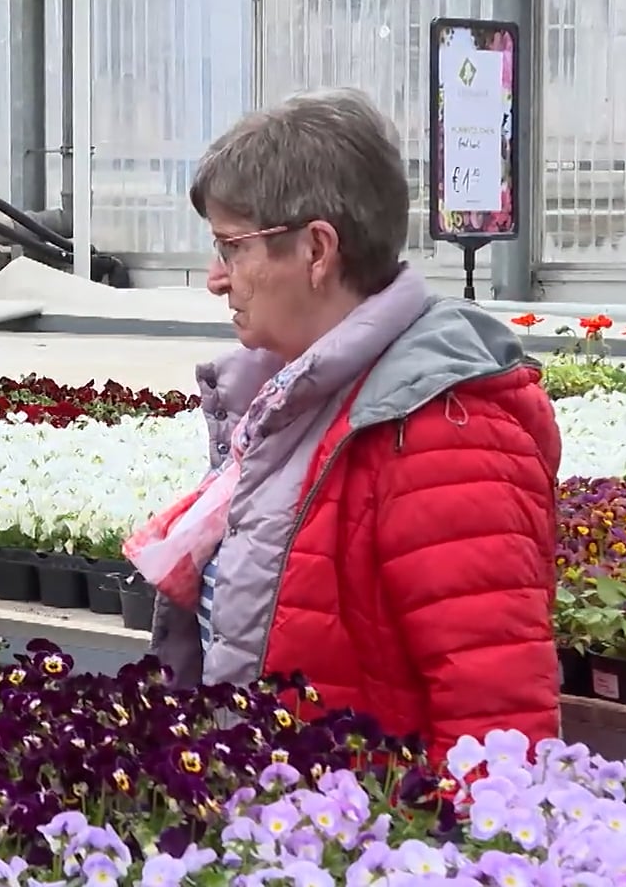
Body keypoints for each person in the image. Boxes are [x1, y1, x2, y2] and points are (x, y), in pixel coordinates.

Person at [126, 87, 562, 767]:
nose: (216, 277)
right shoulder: (287, 403)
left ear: (317, 250)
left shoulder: (441, 430)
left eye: (232, 247)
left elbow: (498, 725)